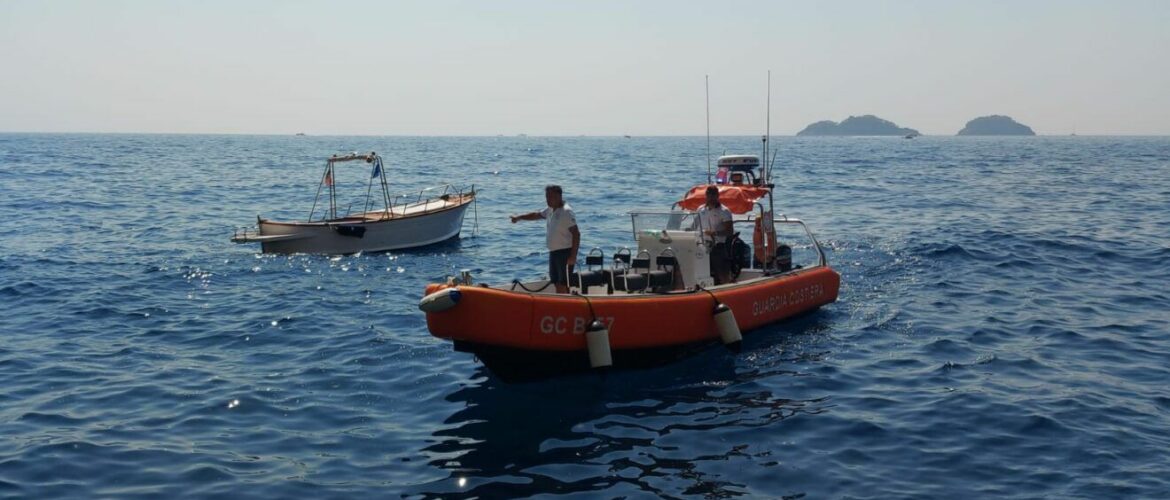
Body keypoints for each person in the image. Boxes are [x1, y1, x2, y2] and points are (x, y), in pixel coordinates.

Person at [511, 185, 580, 294]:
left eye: (550, 197)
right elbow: (536, 215)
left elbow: (576, 234)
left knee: (563, 283)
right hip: (553, 252)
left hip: (564, 253)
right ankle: (560, 304)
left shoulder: (566, 212)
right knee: (556, 282)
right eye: (546, 196)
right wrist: (519, 217)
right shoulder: (551, 209)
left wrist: (573, 256)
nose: (547, 200)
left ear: (558, 196)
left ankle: (566, 307)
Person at [698, 185, 734, 284]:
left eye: (714, 195)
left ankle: (726, 288)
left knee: (722, 273)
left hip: (718, 246)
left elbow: (730, 231)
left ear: (718, 195)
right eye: (709, 194)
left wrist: (715, 233)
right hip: (702, 245)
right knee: (701, 272)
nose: (711, 197)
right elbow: (696, 226)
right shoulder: (700, 210)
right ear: (706, 195)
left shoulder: (724, 211)